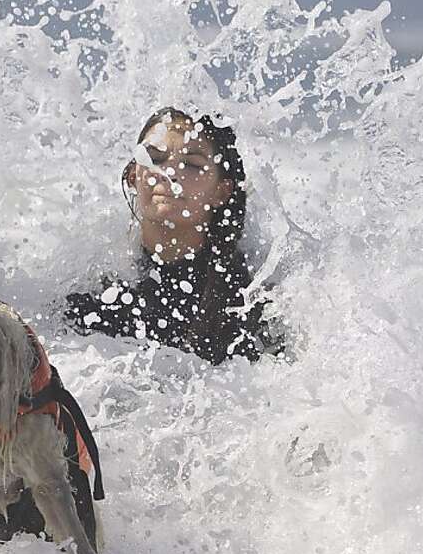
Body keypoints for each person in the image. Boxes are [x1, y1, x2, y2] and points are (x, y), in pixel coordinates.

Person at [64, 107, 271, 365]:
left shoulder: (247, 302)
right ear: (133, 177)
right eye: (154, 158)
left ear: (221, 191)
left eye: (192, 164)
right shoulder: (92, 286)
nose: (169, 173)